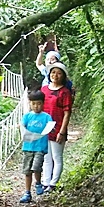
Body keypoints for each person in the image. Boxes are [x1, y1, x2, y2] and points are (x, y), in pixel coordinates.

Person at [41, 62, 72, 193]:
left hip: (58, 126)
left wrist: (62, 131)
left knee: (57, 157)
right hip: (45, 127)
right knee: (46, 157)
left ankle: (53, 183)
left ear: (63, 76)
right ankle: (45, 182)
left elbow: (67, 112)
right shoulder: (44, 90)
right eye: (53, 72)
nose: (55, 75)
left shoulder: (65, 92)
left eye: (59, 73)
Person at [19, 90, 54, 203]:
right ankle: (27, 193)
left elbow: (50, 126)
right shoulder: (27, 116)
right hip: (28, 146)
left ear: (43, 103)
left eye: (38, 103)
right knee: (27, 170)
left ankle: (38, 183)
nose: (36, 106)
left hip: (40, 147)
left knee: (36, 167)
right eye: (33, 104)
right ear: (30, 104)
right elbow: (22, 126)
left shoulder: (46, 117)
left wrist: (51, 129)